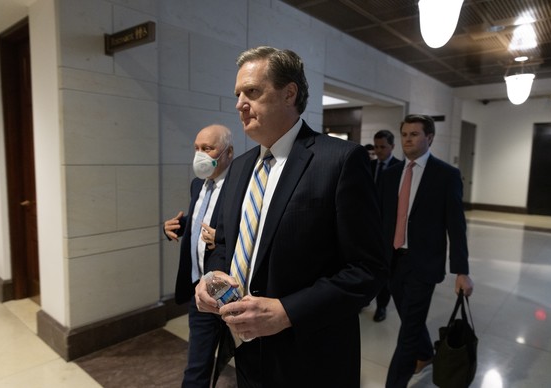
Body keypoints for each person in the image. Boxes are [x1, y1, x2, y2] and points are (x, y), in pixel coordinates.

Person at [195, 46, 388, 387]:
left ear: (289, 93)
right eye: (238, 94)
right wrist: (211, 277)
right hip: (246, 349)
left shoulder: (340, 160)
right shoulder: (239, 168)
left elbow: (367, 270)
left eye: (252, 92)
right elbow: (225, 242)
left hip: (311, 354)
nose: (240, 103)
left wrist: (286, 312)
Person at [378, 114, 474, 388]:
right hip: (393, 261)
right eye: (405, 134)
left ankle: (394, 383)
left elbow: (456, 226)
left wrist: (461, 271)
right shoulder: (390, 174)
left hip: (423, 263)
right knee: (411, 317)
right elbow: (382, 220)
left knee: (407, 331)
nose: (408, 139)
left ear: (429, 138)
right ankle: (425, 354)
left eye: (415, 134)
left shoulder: (446, 175)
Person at [163, 124, 234, 388]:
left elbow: (252, 229)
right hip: (200, 291)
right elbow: (199, 221)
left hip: (232, 289)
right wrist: (175, 227)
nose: (200, 155)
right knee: (197, 366)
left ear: (228, 153)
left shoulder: (241, 184)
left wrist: (223, 236)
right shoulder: (198, 185)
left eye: (208, 148)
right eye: (196, 148)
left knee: (252, 363)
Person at [369, 129, 400, 322]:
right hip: (367, 225)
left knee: (385, 268)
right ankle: (365, 298)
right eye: (376, 147)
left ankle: (382, 306)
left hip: (388, 228)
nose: (379, 151)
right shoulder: (368, 165)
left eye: (383, 147)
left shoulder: (399, 168)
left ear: (392, 147)